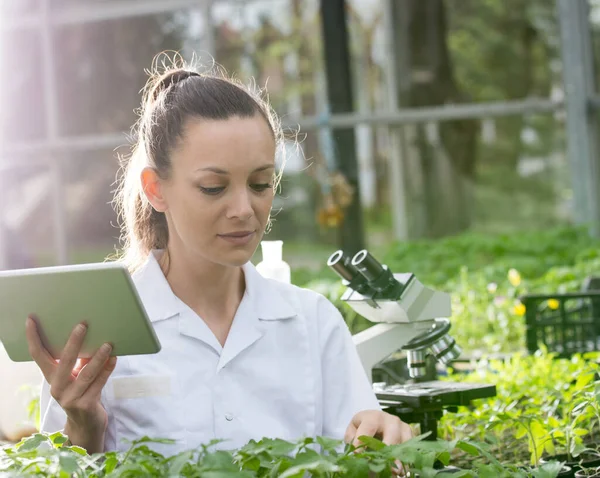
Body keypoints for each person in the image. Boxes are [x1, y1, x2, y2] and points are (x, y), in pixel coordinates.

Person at [26, 58, 413, 457]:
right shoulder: (103, 332)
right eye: (214, 187)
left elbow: (362, 452)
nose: (244, 208)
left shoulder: (313, 324)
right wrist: (83, 427)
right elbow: (52, 466)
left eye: (261, 184)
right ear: (156, 189)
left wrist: (382, 442)